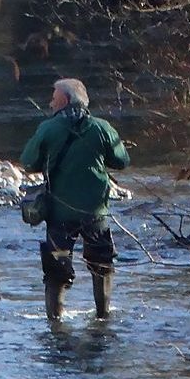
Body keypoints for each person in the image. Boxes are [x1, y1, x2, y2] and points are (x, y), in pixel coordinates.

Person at [20, 78, 130, 320]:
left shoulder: (48, 129)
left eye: (54, 97)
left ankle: (55, 322)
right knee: (102, 266)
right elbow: (121, 161)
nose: (50, 103)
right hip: (96, 212)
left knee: (56, 269)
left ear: (66, 100)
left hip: (59, 213)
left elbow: (28, 162)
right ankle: (103, 316)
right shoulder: (102, 128)